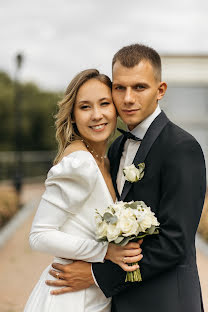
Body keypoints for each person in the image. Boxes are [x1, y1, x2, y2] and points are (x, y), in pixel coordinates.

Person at [46, 44, 206, 312]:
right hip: (121, 302)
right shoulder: (116, 147)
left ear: (160, 90)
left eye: (139, 87)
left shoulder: (181, 147)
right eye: (119, 88)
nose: (128, 98)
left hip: (166, 301)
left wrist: (97, 275)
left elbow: (174, 243)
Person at [24, 68, 143, 312]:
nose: (97, 115)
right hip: (69, 299)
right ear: (73, 115)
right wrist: (105, 251)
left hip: (94, 296)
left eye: (104, 103)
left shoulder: (106, 160)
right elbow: (39, 235)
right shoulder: (80, 162)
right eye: (85, 107)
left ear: (116, 108)